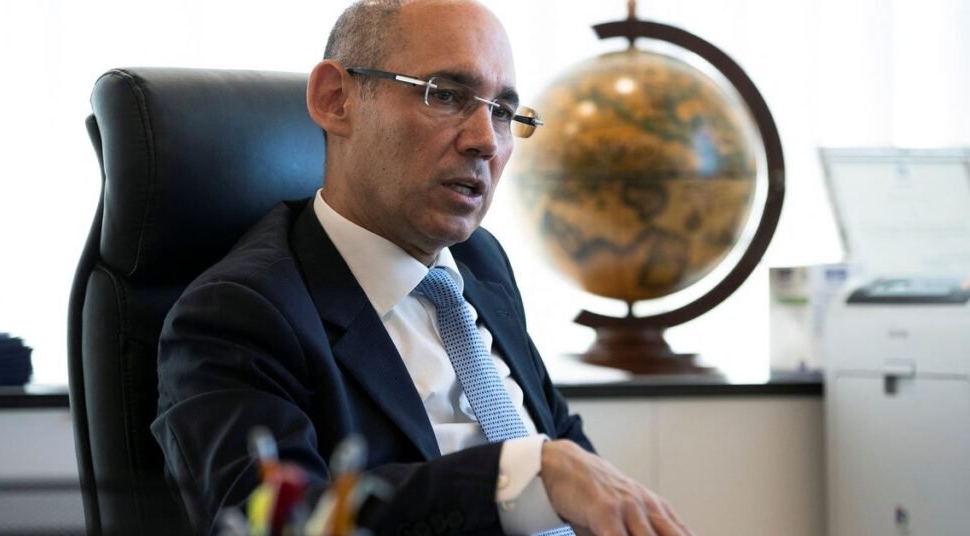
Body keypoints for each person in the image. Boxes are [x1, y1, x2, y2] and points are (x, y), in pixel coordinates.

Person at [152, 1, 692, 535]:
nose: (485, 140)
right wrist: (522, 476)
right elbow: (283, 523)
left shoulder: (482, 263)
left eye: (503, 112)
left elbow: (573, 463)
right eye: (447, 95)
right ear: (335, 99)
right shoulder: (237, 315)